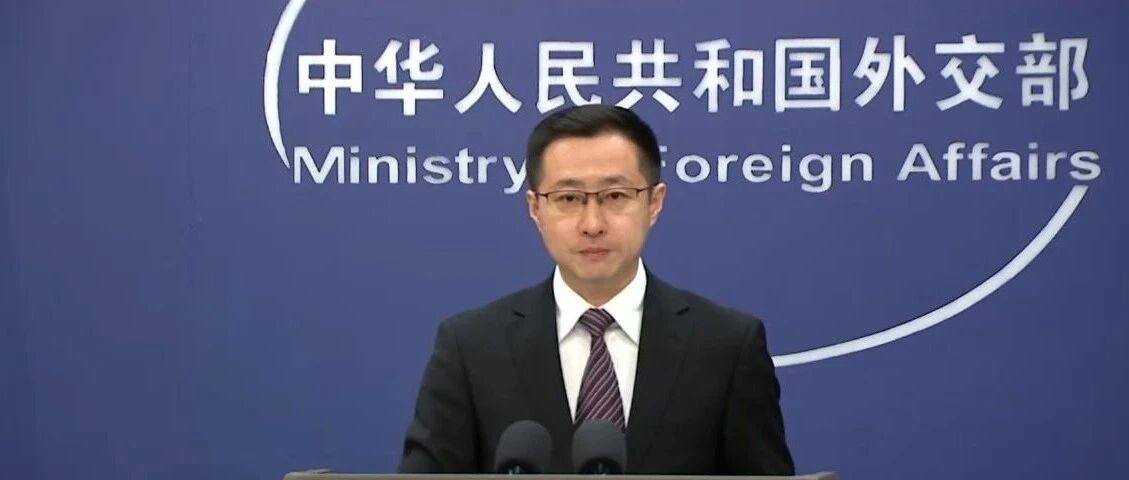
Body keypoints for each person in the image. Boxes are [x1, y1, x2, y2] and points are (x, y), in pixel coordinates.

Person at [398, 104, 794, 475]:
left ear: (655, 202)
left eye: (615, 196)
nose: (592, 224)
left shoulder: (727, 347)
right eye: (568, 198)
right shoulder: (471, 347)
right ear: (535, 209)